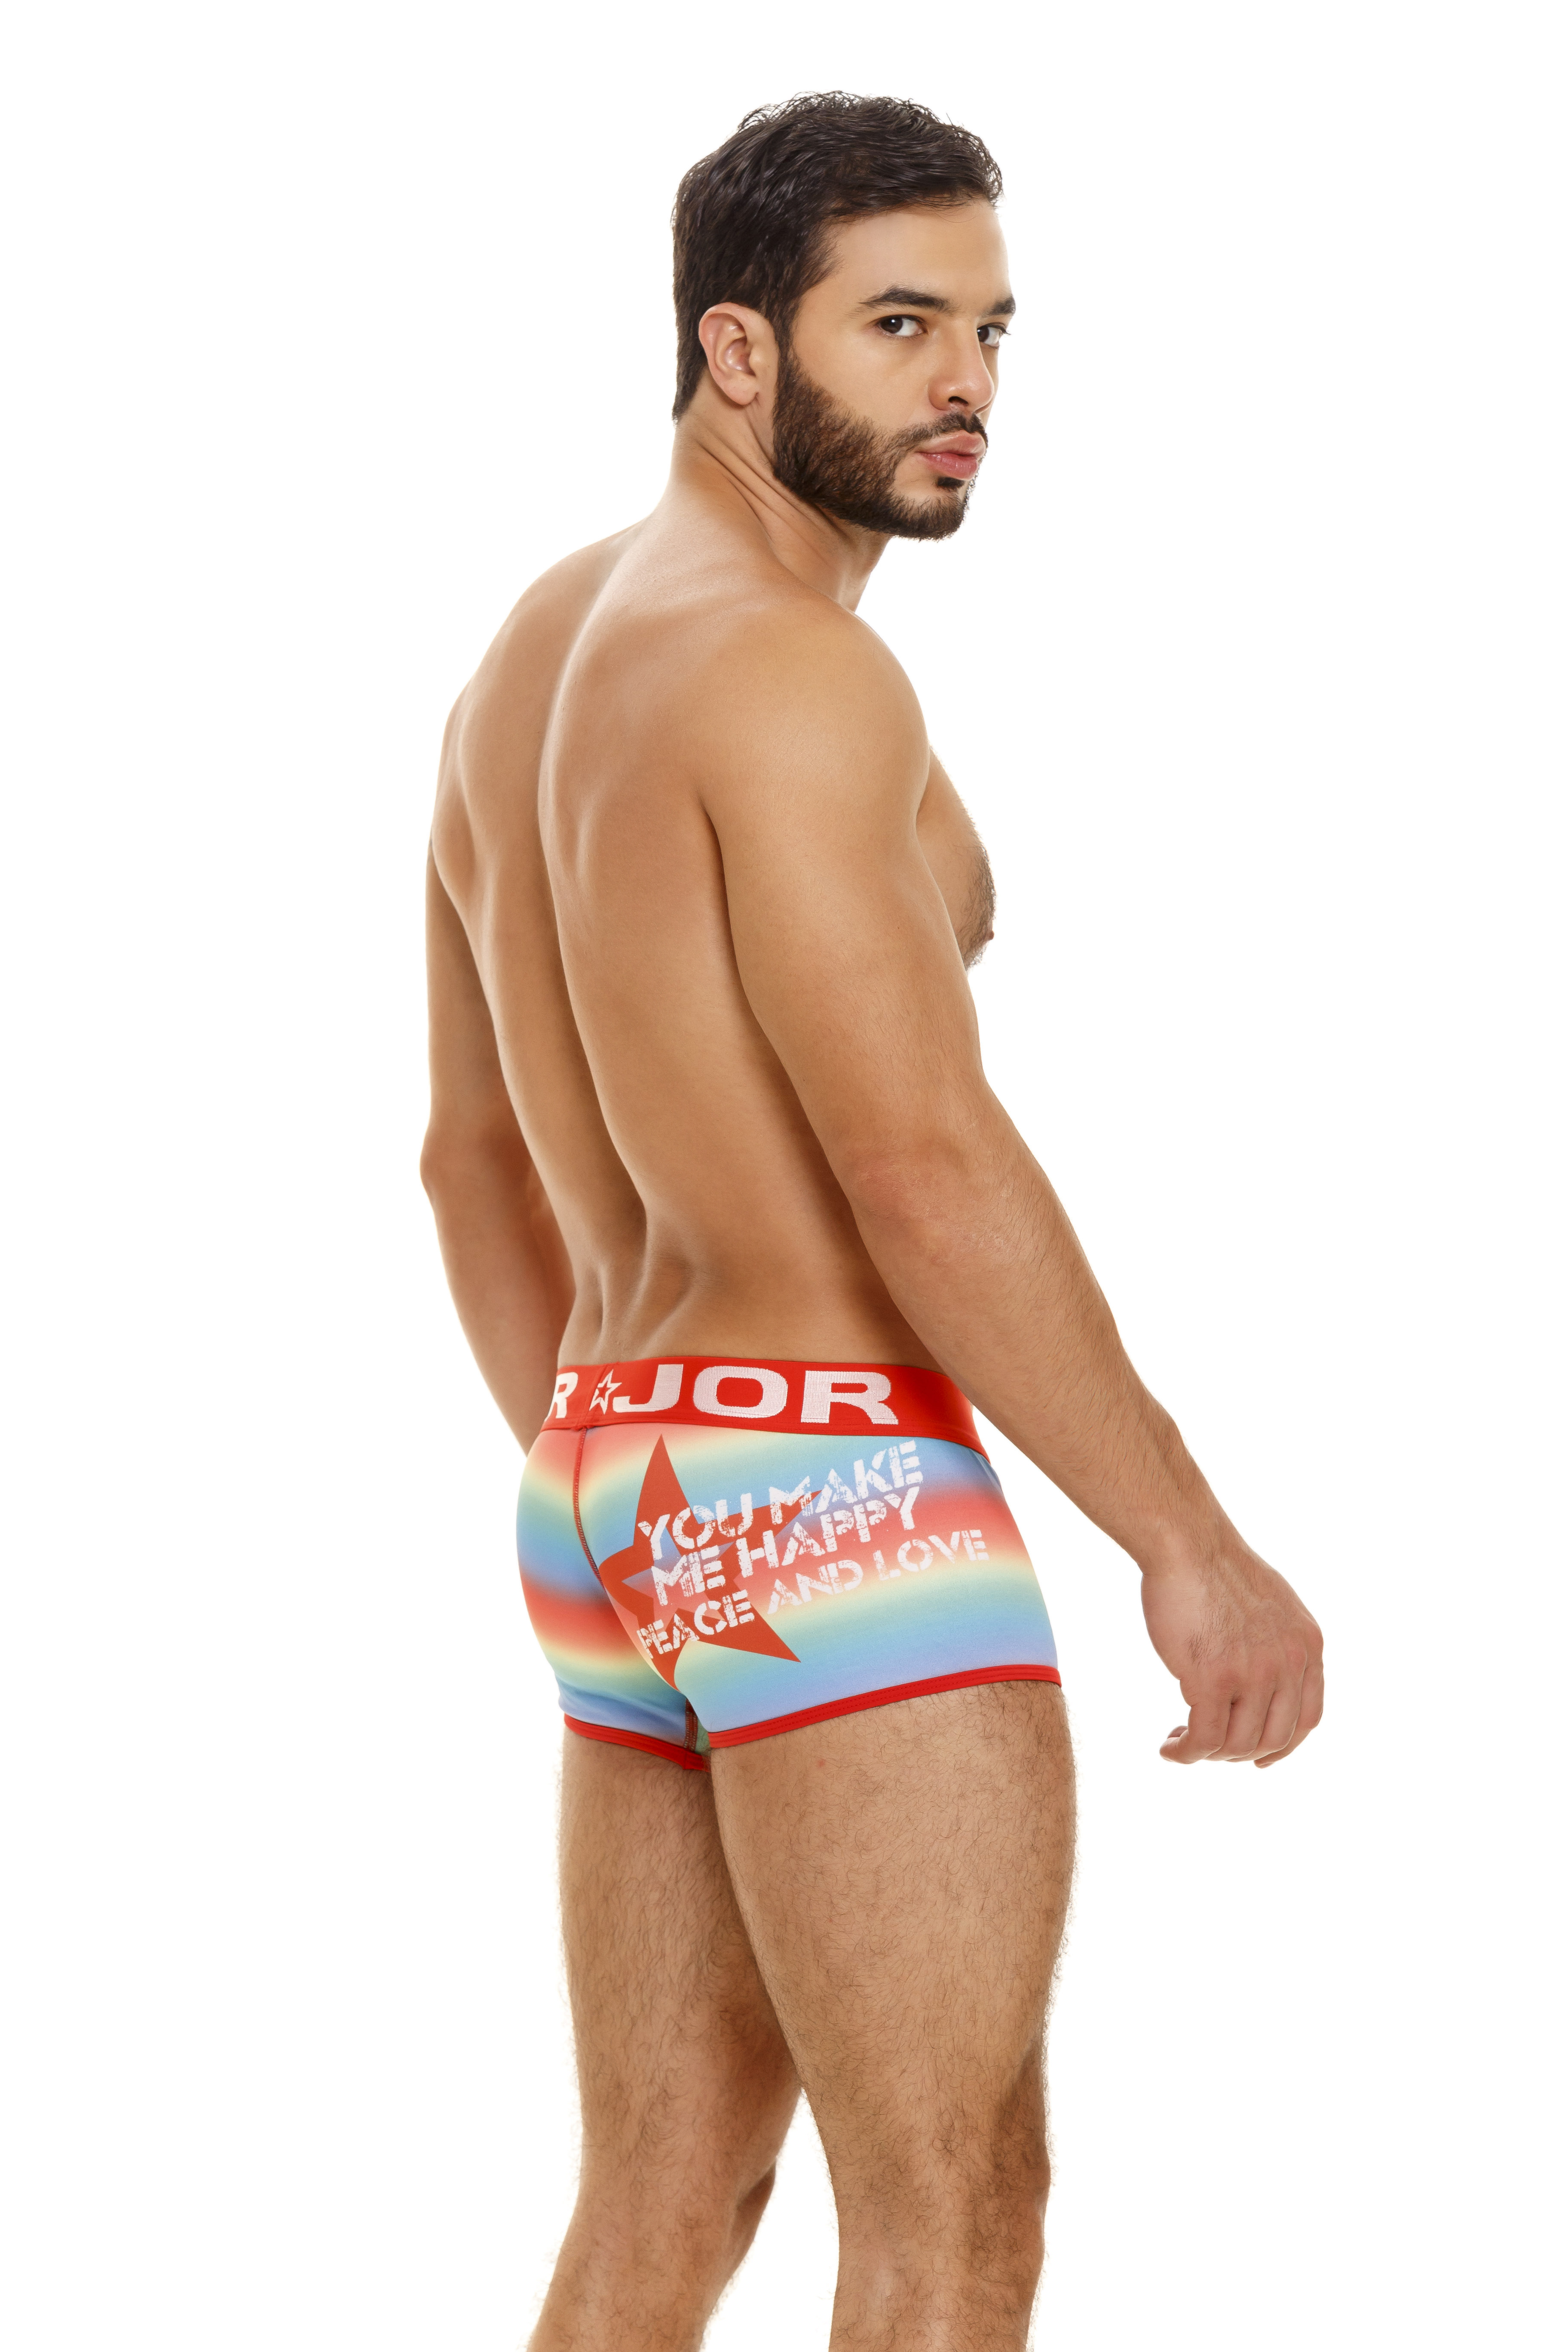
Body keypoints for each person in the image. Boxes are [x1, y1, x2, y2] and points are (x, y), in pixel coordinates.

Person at [421, 91, 1323, 2352]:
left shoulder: (530, 657)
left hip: (619, 1470)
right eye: (900, 326)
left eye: (994, 332)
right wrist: (1186, 1539)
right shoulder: (794, 668)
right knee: (952, 2212)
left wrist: (639, 1485)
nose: (966, 386)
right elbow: (920, 1160)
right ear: (738, 349)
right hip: (828, 1479)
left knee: (661, 2202)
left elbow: (470, 1159)